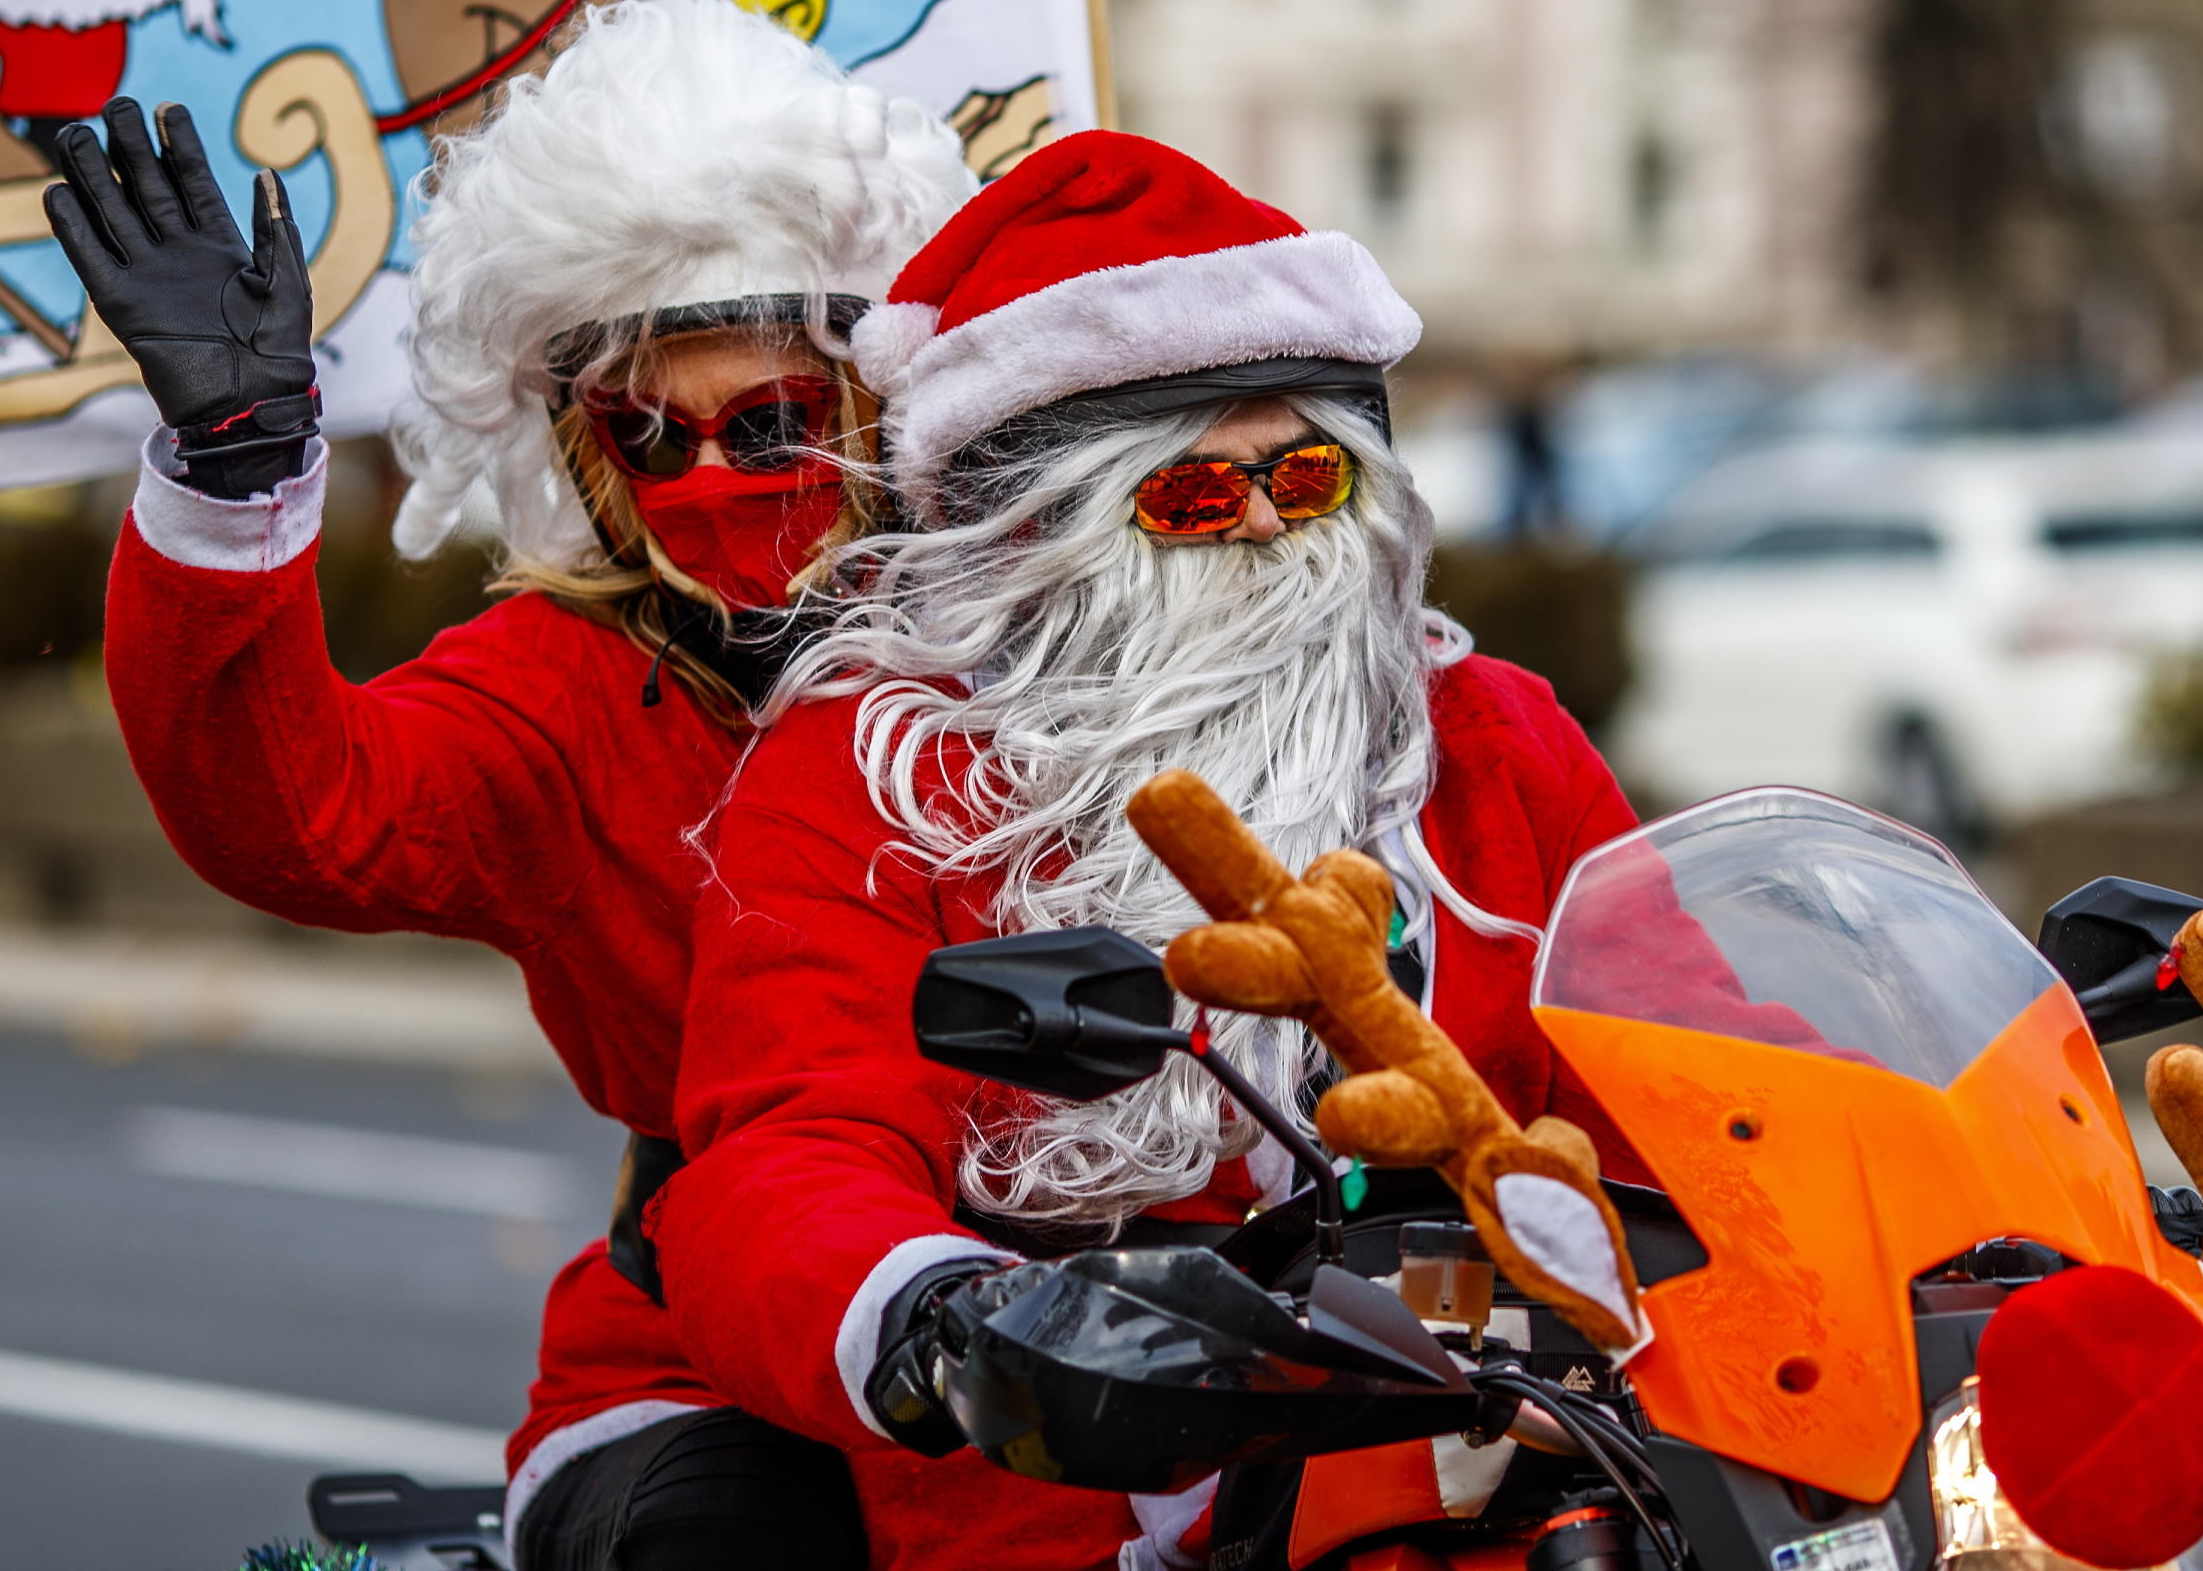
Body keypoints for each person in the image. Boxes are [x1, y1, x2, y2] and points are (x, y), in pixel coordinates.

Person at [41, 0, 970, 1570]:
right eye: (647, 436)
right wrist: (237, 472)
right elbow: (303, 811)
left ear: (879, 402)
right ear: (586, 449)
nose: (711, 481)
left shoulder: (1049, 659)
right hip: (711, 1363)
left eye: (771, 425)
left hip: (1091, 1337)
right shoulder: (563, 688)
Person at [651, 131, 1644, 1571]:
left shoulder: (1482, 733)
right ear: (1037, 529)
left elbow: (1685, 1035)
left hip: (1537, 1465)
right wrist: (945, 1321)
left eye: (1305, 481)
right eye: (1189, 496)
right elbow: (789, 1151)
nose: (1258, 522)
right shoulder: (886, 773)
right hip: (1083, 1502)